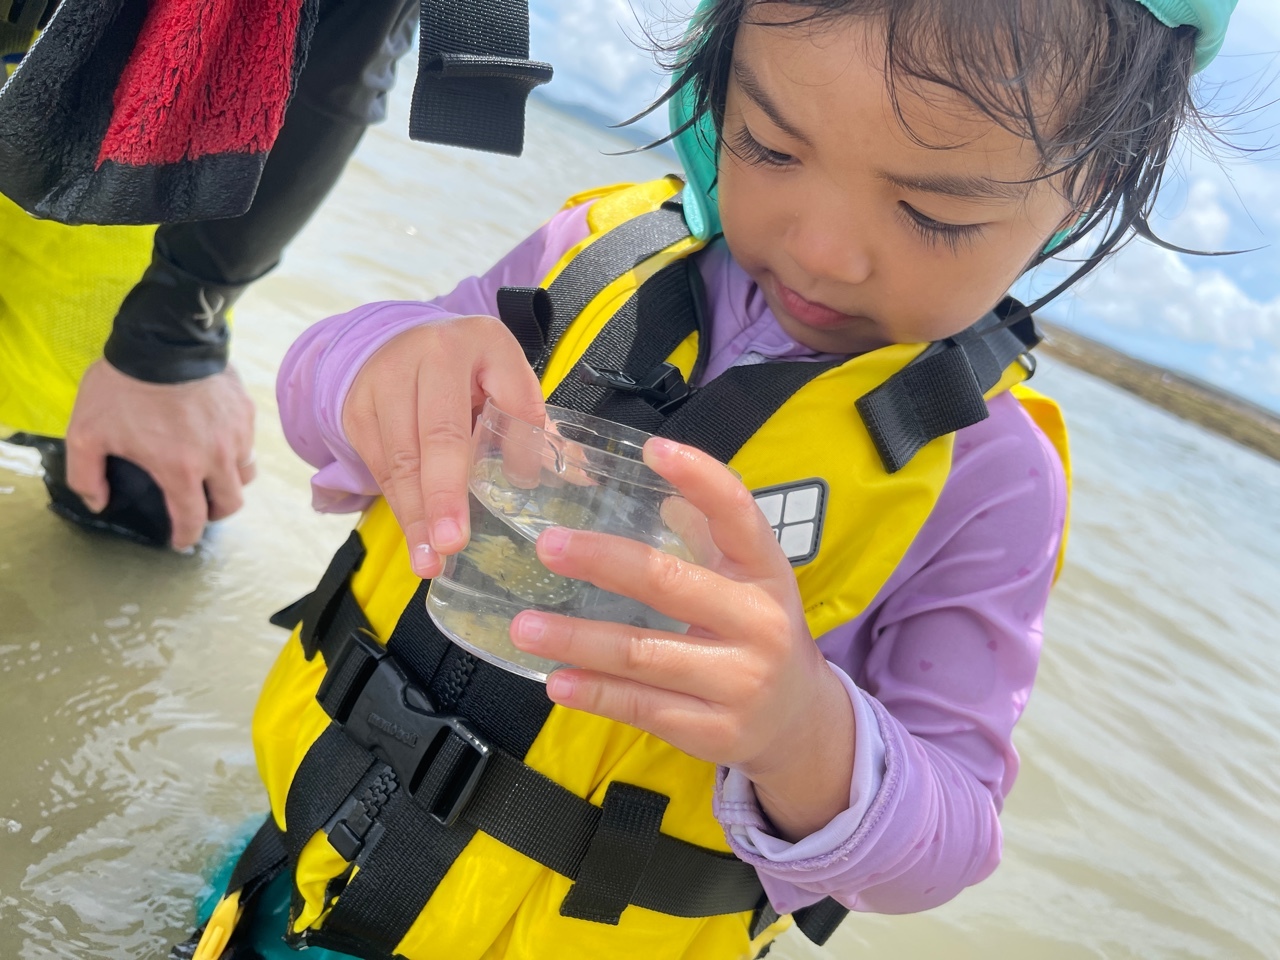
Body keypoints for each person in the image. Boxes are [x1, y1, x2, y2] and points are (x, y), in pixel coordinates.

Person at [180, 0, 1234, 958]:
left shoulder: (988, 482)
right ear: (718, 76)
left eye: (933, 215)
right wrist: (376, 364)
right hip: (293, 877)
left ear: (1081, 186)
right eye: (770, 147)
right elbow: (326, 409)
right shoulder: (587, 257)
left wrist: (803, 733)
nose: (822, 251)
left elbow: (950, 839)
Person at [0, 0, 418, 549]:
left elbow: (347, 33)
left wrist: (169, 338)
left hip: (98, 217)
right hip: (87, 210)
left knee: (145, 504)